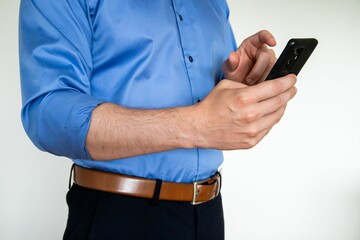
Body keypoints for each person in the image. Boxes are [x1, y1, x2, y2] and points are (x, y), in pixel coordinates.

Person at [19, 0, 297, 239]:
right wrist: (195, 125)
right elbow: (48, 113)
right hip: (118, 216)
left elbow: (208, 104)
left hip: (209, 212)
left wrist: (237, 80)